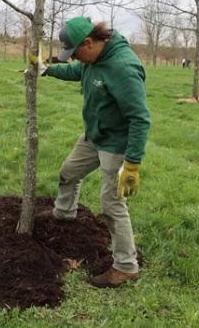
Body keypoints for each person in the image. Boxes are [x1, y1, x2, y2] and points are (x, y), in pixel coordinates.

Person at [40, 16, 151, 288]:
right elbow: (77, 71)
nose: (75, 58)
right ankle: (64, 212)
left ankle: (126, 266)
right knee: (68, 173)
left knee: (112, 204)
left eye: (76, 52)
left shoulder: (122, 67)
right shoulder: (93, 60)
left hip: (115, 143)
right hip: (93, 136)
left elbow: (140, 118)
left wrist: (133, 164)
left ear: (88, 42)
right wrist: (46, 70)